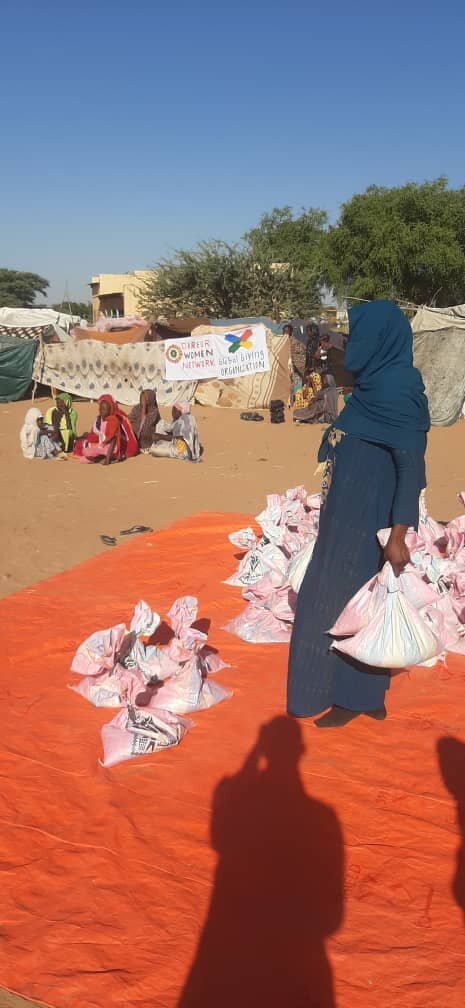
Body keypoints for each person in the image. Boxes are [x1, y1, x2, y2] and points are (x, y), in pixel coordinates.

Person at [287, 300, 430, 728]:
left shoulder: (398, 394)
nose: (351, 345)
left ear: (380, 340)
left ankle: (354, 697)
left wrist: (398, 536)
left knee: (354, 604)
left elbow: (411, 469)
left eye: (358, 337)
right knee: (338, 602)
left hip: (371, 520)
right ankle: (353, 695)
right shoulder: (369, 389)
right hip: (342, 519)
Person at [73, 394, 139, 464]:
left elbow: (113, 439)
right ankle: (98, 457)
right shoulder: (102, 418)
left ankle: (101, 458)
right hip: (104, 445)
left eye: (104, 409)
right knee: (84, 453)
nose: (102, 411)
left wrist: (107, 460)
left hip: (113, 448)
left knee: (84, 448)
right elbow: (98, 434)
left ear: (110, 409)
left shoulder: (113, 421)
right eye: (101, 408)